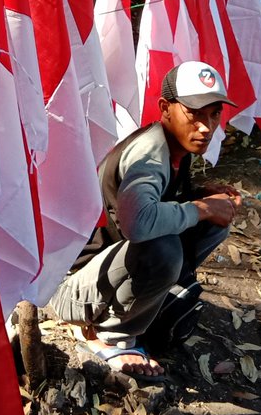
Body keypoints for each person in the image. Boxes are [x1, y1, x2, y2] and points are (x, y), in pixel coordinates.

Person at [48, 60, 242, 381]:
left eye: (214, 113)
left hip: (104, 274)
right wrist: (202, 207)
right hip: (72, 290)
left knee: (214, 221)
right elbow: (139, 222)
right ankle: (110, 336)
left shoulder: (175, 148)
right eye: (195, 113)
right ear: (165, 108)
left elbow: (162, 204)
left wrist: (204, 196)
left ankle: (150, 298)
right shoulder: (150, 153)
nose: (206, 126)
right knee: (164, 246)